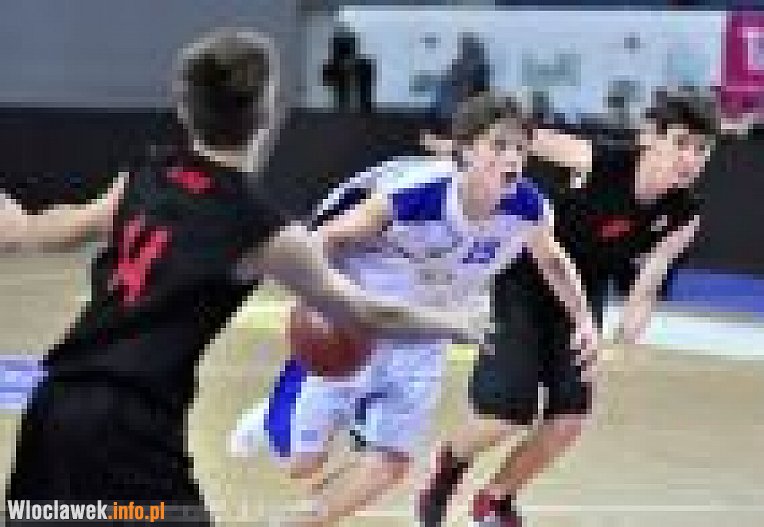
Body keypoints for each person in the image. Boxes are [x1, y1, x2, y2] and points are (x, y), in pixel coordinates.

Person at [2, 29, 475, 526]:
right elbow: (363, 311)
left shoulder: (147, 173)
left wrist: (16, 227)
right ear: (267, 113)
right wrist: (453, 323)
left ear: (184, 109)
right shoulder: (260, 227)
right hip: (131, 424)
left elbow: (56, 227)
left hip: (55, 404)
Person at [230, 93, 598, 527]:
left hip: (424, 333)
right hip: (358, 325)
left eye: (519, 147)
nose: (512, 158)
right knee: (302, 465)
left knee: (390, 465)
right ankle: (274, 415)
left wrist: (583, 320)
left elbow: (553, 260)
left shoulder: (528, 208)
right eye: (498, 145)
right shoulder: (416, 197)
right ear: (466, 151)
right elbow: (323, 238)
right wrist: (320, 304)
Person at [418, 87, 719, 527]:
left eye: (701, 149)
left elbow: (649, 282)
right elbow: (528, 137)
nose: (690, 158)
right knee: (505, 412)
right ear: (650, 136)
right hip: (526, 275)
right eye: (681, 143)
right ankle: (447, 467)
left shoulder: (684, 215)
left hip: (582, 295)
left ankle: (495, 500)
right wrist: (461, 149)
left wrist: (626, 337)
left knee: (570, 418)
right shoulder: (598, 160)